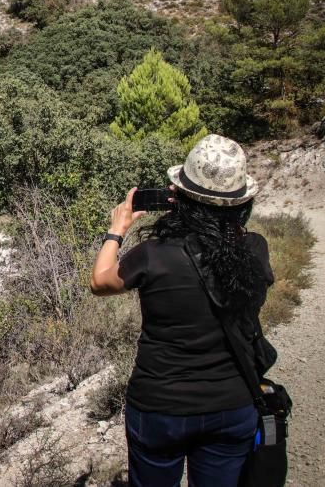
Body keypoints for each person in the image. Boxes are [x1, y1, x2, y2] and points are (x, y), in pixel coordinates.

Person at [89, 134, 274, 487]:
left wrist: (116, 229)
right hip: (232, 405)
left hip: (160, 407)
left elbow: (99, 282)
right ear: (241, 203)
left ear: (179, 198)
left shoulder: (153, 255)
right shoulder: (255, 251)